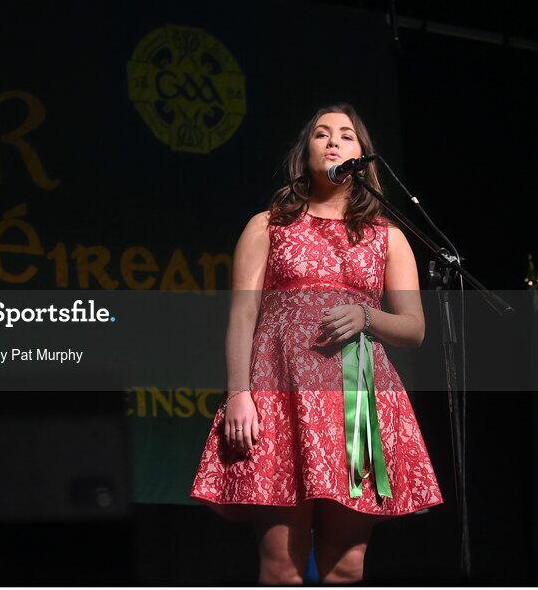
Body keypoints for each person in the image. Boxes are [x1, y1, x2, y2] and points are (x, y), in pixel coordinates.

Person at [189, 103, 443, 584]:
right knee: (281, 568)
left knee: (346, 567)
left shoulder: (388, 236)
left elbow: (414, 328)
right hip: (279, 396)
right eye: (321, 135)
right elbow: (242, 317)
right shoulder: (267, 226)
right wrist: (239, 393)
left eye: (346, 136)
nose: (333, 142)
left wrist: (367, 315)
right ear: (303, 154)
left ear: (363, 157)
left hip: (357, 403)